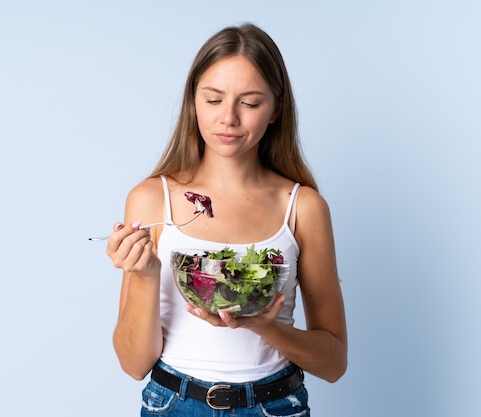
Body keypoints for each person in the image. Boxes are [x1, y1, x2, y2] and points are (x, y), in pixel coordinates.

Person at [105, 23, 347, 416]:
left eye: (250, 103)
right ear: (193, 102)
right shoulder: (151, 199)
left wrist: (261, 324)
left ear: (276, 109)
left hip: (274, 406)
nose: (229, 118)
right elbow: (134, 364)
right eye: (213, 99)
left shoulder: (303, 207)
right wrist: (145, 274)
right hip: (173, 404)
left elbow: (334, 363)